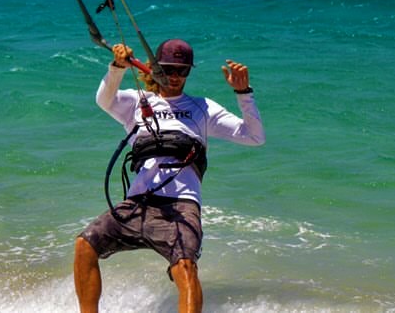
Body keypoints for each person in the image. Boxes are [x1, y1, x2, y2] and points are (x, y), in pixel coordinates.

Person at [74, 39, 265, 313]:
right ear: (154, 68)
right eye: (168, 69)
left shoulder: (203, 108)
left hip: (181, 205)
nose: (175, 77)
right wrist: (117, 67)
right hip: (138, 203)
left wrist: (243, 93)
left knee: (185, 267)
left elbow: (254, 137)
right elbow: (104, 100)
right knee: (85, 244)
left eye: (183, 71)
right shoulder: (138, 102)